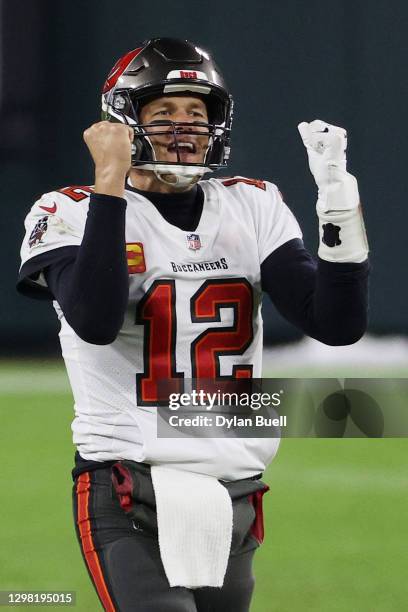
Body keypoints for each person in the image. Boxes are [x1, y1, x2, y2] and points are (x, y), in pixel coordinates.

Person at [17, 37, 369, 612]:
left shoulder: (252, 204)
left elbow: (335, 324)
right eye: (163, 114)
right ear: (123, 123)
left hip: (234, 481)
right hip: (133, 481)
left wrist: (338, 204)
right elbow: (95, 320)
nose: (184, 128)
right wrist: (110, 184)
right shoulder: (69, 209)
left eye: (196, 114)